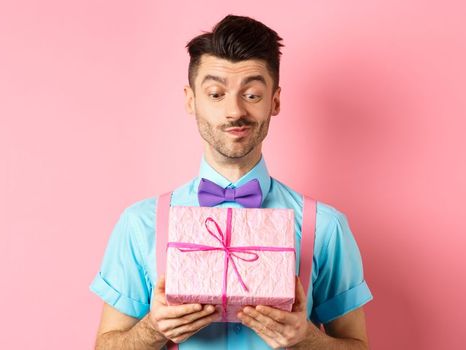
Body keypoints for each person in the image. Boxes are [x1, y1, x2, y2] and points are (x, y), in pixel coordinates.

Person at [90, 15, 372, 349]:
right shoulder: (140, 224)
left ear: (275, 101)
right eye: (215, 93)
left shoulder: (325, 226)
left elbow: (358, 345)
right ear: (191, 99)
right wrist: (153, 328)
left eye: (252, 94)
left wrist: (307, 339)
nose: (234, 111)